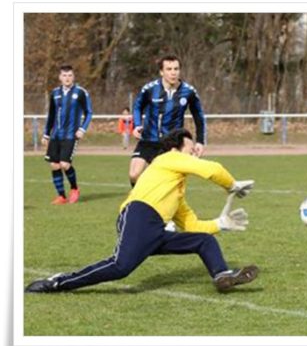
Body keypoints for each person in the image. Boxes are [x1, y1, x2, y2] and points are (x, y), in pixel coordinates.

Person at [25, 129, 258, 294]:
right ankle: (58, 283)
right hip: (139, 216)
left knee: (203, 241)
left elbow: (191, 225)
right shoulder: (168, 158)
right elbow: (212, 169)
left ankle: (222, 275)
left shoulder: (175, 190)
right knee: (120, 267)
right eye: (190, 149)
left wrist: (220, 223)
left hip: (153, 228)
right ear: (175, 149)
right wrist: (231, 184)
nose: (195, 153)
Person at [129, 55, 207, 187]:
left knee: (163, 180)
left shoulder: (188, 91)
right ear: (161, 72)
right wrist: (136, 125)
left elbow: (198, 116)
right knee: (134, 174)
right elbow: (137, 107)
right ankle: (137, 194)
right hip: (148, 140)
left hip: (171, 144)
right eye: (169, 69)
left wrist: (200, 141)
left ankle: (150, 201)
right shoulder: (150, 89)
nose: (173, 72)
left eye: (176, 69)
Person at [43, 65, 93, 205]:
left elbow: (89, 112)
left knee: (65, 164)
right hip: (56, 135)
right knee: (54, 165)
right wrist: (46, 134)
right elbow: (51, 115)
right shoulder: (55, 93)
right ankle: (61, 196)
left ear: (73, 77)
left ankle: (75, 189)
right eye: (64, 75)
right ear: (60, 77)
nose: (67, 78)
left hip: (71, 134)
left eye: (70, 75)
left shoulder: (81, 92)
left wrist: (82, 129)